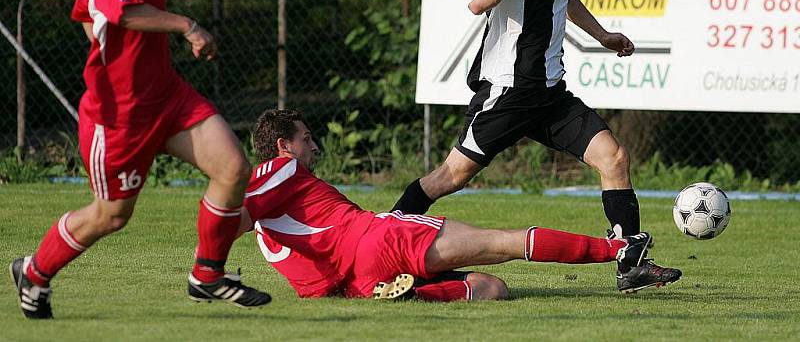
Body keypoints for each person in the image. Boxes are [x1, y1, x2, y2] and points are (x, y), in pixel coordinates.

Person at [391, 0, 681, 292]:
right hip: (507, 96)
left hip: (550, 95)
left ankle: (630, 264)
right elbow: (479, 1)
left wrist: (602, 36)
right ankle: (386, 237)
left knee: (614, 158)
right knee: (447, 179)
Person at [9, 0, 270, 320]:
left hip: (165, 95)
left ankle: (208, 274)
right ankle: (34, 271)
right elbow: (120, 10)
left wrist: (110, 42)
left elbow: (88, 8)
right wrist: (187, 26)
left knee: (232, 168)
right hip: (120, 115)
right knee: (111, 216)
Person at [238, 109, 676, 302]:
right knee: (504, 241)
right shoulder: (280, 171)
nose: (314, 146)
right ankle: (618, 250)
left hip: (359, 282)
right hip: (382, 238)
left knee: (493, 290)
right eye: (306, 138)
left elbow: (309, 285)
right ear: (282, 146)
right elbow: (237, 211)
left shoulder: (272, 228)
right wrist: (208, 264)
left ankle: (412, 294)